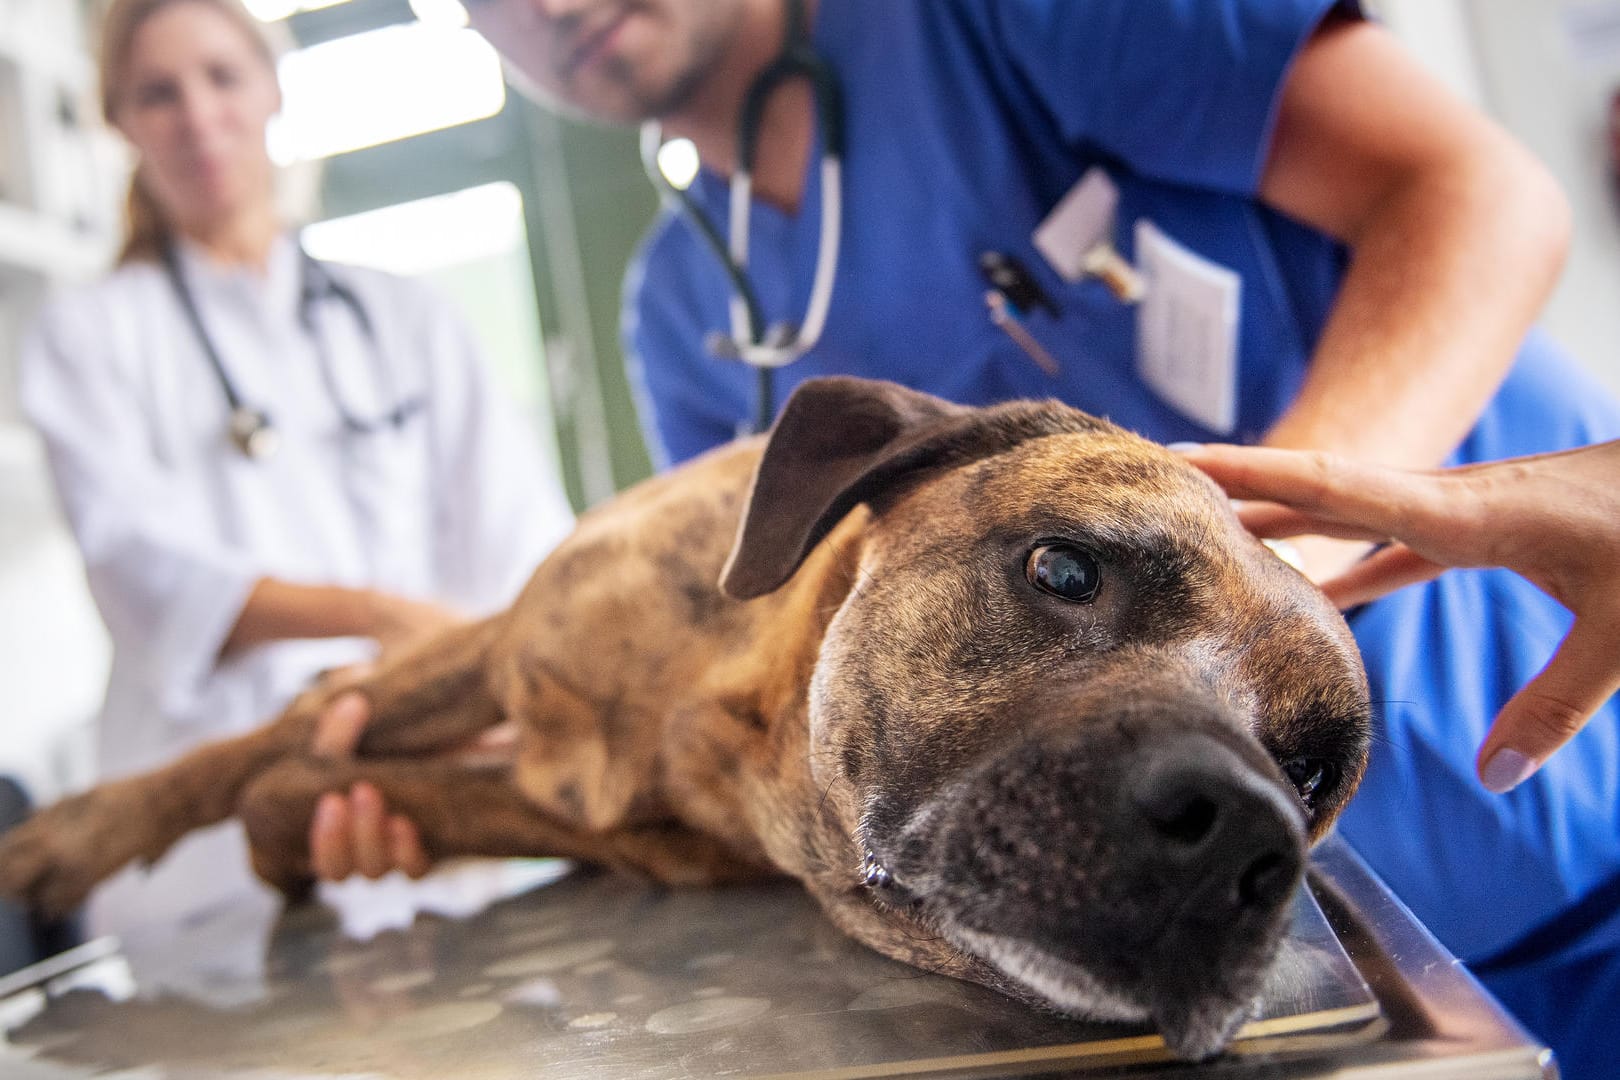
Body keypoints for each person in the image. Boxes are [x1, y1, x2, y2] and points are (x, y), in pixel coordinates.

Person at [439, 1, 1620, 1074]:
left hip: (1570, 818)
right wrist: (451, 794)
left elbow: (1479, 196)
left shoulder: (999, 20)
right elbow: (765, 695)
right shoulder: (684, 305)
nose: (553, 5)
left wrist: (1267, 558)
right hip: (1203, 985)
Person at [18, 0, 573, 941]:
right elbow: (147, 578)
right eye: (158, 93)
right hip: (209, 872)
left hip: (424, 810)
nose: (198, 115)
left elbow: (526, 553)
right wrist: (378, 618)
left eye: (222, 77)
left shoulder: (404, 318)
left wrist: (474, 711)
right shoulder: (87, 335)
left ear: (273, 88)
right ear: (119, 121)